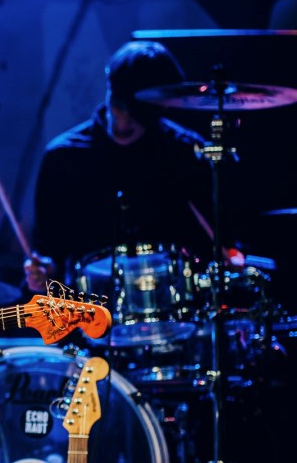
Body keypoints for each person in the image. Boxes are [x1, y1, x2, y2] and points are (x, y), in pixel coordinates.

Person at [24, 40, 217, 298]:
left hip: (175, 304)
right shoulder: (64, 158)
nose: (123, 124)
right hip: (90, 310)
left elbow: (215, 246)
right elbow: (49, 250)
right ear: (109, 91)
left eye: (136, 114)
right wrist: (43, 271)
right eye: (118, 107)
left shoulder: (186, 153)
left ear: (162, 107)